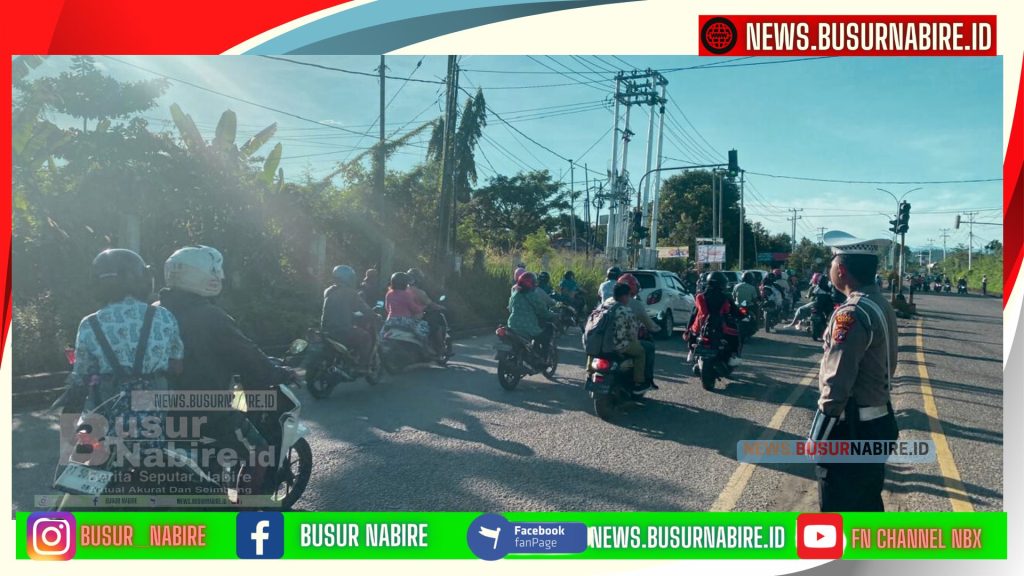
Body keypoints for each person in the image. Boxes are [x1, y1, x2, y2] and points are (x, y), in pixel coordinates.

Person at [158, 245, 295, 496]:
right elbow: (249, 356)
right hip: (208, 411)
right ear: (205, 276)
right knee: (261, 453)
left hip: (156, 412)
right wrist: (280, 373)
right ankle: (246, 512)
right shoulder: (211, 317)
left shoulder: (154, 311)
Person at [66, 250, 184, 483]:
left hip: (106, 418)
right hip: (153, 419)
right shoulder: (163, 317)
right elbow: (177, 367)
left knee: (86, 476)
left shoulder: (89, 324)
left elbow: (81, 378)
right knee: (154, 475)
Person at [808, 230, 900, 512]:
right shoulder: (879, 304)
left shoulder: (851, 313)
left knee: (839, 511)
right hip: (878, 421)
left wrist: (817, 437)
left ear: (842, 269)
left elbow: (837, 382)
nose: (830, 268)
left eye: (832, 262)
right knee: (867, 503)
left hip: (851, 431)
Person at [320, 265, 374, 371]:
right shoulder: (350, 293)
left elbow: (340, 307)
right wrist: (373, 314)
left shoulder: (328, 291)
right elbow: (363, 308)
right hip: (342, 329)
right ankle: (362, 367)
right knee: (366, 337)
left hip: (326, 329)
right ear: (348, 278)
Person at [687, 271, 740, 367]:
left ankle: (691, 351)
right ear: (722, 284)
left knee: (691, 331)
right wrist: (742, 316)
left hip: (701, 326)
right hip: (720, 327)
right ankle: (733, 356)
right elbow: (735, 312)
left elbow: (694, 314)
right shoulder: (725, 297)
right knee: (735, 334)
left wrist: (688, 328)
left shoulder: (700, 296)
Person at [617, 273, 660, 389]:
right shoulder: (635, 304)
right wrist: (658, 328)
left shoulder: (607, 301)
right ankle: (641, 381)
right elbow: (650, 325)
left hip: (603, 341)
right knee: (647, 348)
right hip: (621, 342)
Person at [506, 272, 556, 365]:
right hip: (528, 327)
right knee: (545, 337)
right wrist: (553, 315)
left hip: (512, 325)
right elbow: (543, 311)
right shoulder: (533, 296)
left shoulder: (514, 295)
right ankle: (544, 360)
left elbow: (509, 308)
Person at [407, 267, 447, 356]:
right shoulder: (419, 292)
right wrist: (442, 307)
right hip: (418, 317)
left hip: (404, 318)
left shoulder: (402, 291)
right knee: (436, 327)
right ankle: (440, 347)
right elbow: (431, 304)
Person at [382, 272, 430, 343]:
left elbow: (387, 308)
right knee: (424, 329)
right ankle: (426, 348)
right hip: (405, 321)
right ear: (404, 283)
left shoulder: (389, 293)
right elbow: (414, 308)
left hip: (390, 321)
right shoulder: (407, 294)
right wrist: (423, 307)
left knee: (381, 337)